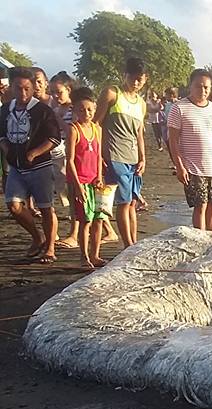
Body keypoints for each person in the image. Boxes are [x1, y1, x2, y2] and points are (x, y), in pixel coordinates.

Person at [0, 67, 61, 263]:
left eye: (27, 88)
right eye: (19, 88)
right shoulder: (5, 109)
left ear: (33, 87)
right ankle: (37, 237)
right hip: (16, 167)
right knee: (13, 205)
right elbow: (1, 133)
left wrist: (35, 152)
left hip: (40, 167)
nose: (23, 93)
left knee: (45, 208)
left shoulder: (42, 110)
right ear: (12, 88)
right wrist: (5, 147)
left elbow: (54, 138)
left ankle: (50, 248)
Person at [167, 68, 212, 231]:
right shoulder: (179, 108)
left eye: (206, 87)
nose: (202, 90)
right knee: (201, 206)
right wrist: (179, 167)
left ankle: (211, 240)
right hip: (193, 168)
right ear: (190, 86)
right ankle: (200, 240)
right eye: (198, 86)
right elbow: (173, 141)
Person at [94, 57, 147, 248]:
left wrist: (143, 157)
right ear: (125, 76)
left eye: (139, 79)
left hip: (133, 159)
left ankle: (133, 244)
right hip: (114, 155)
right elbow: (96, 124)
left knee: (132, 202)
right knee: (123, 203)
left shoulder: (141, 103)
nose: (135, 82)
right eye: (132, 77)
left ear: (145, 79)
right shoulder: (112, 94)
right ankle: (128, 246)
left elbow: (140, 132)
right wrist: (98, 154)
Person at [65, 86, 106, 268]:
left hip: (95, 181)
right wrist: (78, 185)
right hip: (80, 181)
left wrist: (99, 176)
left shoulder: (97, 129)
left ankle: (95, 255)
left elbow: (98, 156)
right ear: (74, 110)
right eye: (81, 109)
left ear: (95, 108)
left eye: (89, 109)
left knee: (99, 218)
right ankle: (84, 257)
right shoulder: (74, 129)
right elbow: (70, 160)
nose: (86, 113)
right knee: (85, 220)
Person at [49, 71, 80, 247]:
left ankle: (74, 235)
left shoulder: (74, 109)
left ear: (68, 89)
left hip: (72, 156)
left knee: (74, 194)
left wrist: (58, 119)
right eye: (52, 92)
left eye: (58, 92)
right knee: (64, 193)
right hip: (56, 155)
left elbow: (71, 132)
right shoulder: (55, 109)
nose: (55, 96)